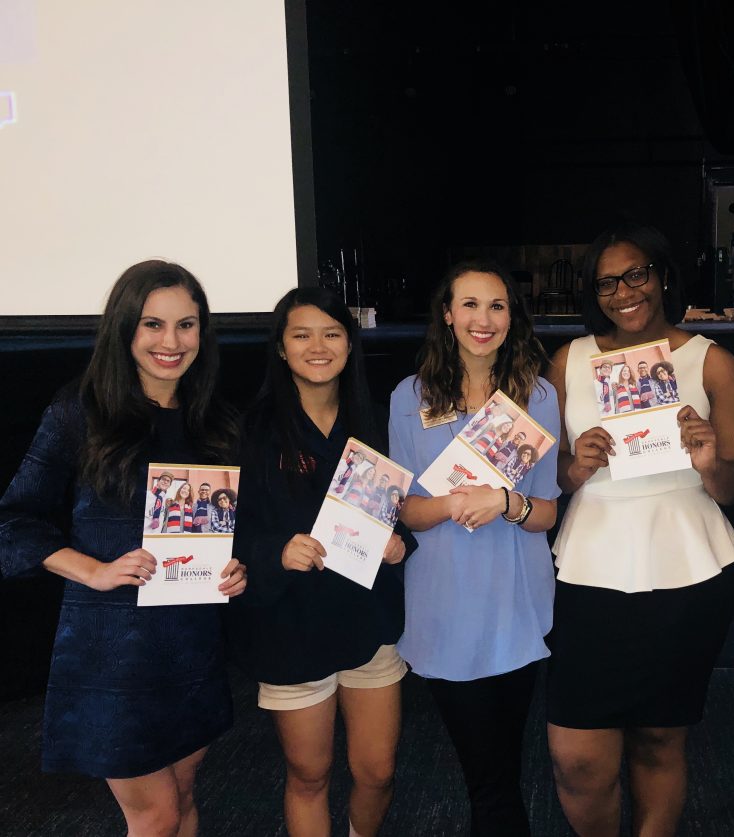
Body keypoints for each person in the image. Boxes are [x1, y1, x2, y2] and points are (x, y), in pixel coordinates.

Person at [0, 261, 247, 836]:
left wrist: (236, 567)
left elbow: (229, 526)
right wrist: (95, 570)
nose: (171, 341)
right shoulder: (78, 410)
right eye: (152, 324)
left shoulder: (214, 421)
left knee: (184, 798)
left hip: (191, 643)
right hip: (113, 649)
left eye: (186, 325)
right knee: (155, 815)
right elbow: (12, 520)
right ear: (124, 329)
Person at [546, 223, 734, 836]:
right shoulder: (570, 361)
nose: (623, 292)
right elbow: (545, 475)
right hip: (589, 565)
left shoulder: (711, 363)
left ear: (661, 276)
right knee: (577, 758)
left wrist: (712, 465)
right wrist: (574, 467)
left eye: (635, 274)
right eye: (606, 282)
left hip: (686, 565)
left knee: (661, 738)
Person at [228, 287, 411, 837]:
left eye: (331, 333)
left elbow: (404, 506)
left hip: (366, 618)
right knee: (310, 774)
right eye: (300, 334)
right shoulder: (248, 430)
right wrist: (274, 552)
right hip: (290, 625)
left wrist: (401, 542)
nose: (317, 346)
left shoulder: (378, 421)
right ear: (281, 349)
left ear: (350, 345)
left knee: (377, 771)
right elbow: (225, 531)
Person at [388, 259, 559, 835]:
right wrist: (460, 502)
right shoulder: (408, 399)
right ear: (446, 314)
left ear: (513, 316)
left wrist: (507, 503)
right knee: (483, 771)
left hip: (515, 601)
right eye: (469, 305)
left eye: (497, 306)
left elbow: (546, 514)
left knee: (502, 766)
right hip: (444, 605)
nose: (483, 319)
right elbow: (407, 510)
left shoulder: (537, 398)